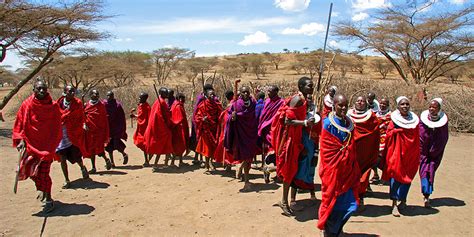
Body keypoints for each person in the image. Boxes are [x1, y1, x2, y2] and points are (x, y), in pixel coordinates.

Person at [12, 80, 62, 213]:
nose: (41, 91)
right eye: (39, 89)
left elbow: (57, 127)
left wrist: (54, 144)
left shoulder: (53, 106)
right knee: (31, 171)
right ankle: (42, 189)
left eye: (44, 89)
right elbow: (20, 123)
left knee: (44, 174)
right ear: (33, 89)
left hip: (47, 146)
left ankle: (49, 199)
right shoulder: (27, 105)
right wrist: (20, 139)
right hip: (31, 145)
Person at [271, 77, 316, 216]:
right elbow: (287, 120)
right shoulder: (297, 100)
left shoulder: (304, 100)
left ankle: (288, 200)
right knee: (289, 170)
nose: (312, 88)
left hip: (297, 138)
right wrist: (304, 123)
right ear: (301, 86)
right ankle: (284, 202)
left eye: (312, 86)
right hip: (289, 139)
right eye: (309, 86)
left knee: (293, 170)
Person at [318, 94, 360, 236]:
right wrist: (342, 155)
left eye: (345, 105)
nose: (343, 108)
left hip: (347, 171)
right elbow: (327, 150)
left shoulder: (349, 123)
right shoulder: (328, 124)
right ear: (333, 105)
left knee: (351, 205)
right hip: (333, 171)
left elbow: (352, 146)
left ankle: (338, 228)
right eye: (340, 105)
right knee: (332, 203)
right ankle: (329, 231)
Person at [382, 96, 420, 217]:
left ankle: (403, 200)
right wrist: (396, 132)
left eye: (407, 104)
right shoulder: (394, 121)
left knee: (407, 177)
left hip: (410, 154)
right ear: (398, 107)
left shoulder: (414, 121)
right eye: (402, 104)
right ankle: (394, 204)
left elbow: (417, 138)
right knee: (395, 177)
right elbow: (388, 135)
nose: (405, 106)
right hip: (397, 153)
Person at [348, 96, 380, 210]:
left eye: (362, 101)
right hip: (351, 153)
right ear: (354, 103)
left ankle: (360, 198)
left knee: (363, 178)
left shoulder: (372, 117)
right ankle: (351, 200)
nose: (360, 102)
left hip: (366, 153)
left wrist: (375, 152)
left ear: (366, 104)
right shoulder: (348, 116)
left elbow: (376, 134)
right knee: (350, 177)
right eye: (358, 100)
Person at [224, 86, 259, 191]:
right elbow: (228, 118)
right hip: (240, 135)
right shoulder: (235, 105)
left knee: (249, 158)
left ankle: (245, 176)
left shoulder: (253, 104)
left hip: (251, 134)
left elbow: (254, 117)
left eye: (247, 92)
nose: (246, 94)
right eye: (244, 92)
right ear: (240, 94)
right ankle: (246, 181)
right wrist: (233, 117)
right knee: (245, 157)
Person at [56, 86, 89, 189]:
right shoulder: (58, 104)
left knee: (76, 155)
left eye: (73, 91)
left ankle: (82, 168)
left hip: (73, 134)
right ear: (65, 92)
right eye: (70, 91)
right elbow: (55, 116)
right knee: (62, 158)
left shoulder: (77, 103)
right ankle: (67, 179)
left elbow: (81, 116)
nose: (72, 93)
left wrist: (83, 124)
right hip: (61, 135)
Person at [419, 98, 449, 208]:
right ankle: (426, 195)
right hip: (423, 153)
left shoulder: (443, 123)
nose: (432, 109)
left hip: (435, 153)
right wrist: (424, 149)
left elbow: (443, 138)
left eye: (434, 107)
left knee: (431, 171)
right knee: (423, 172)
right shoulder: (423, 119)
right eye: (430, 107)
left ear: (439, 109)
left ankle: (427, 194)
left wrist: (434, 150)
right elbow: (421, 135)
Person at [258, 85, 285, 180]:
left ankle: (272, 170)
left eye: (270, 91)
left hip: (277, 131)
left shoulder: (281, 103)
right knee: (269, 151)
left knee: (277, 151)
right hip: (267, 131)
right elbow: (264, 116)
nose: (268, 93)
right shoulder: (267, 102)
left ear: (276, 92)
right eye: (268, 91)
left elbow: (281, 116)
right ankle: (269, 170)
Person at [144, 87, 173, 172]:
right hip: (161, 128)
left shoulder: (159, 101)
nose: (167, 95)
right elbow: (158, 116)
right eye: (165, 93)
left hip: (162, 127)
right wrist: (167, 124)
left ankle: (166, 164)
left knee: (167, 145)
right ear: (161, 94)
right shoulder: (161, 102)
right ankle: (156, 164)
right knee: (161, 146)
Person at [84, 90, 112, 173]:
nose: (96, 95)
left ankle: (106, 159)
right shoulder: (87, 105)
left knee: (99, 149)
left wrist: (104, 131)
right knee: (91, 149)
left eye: (97, 94)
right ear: (90, 95)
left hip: (99, 131)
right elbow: (84, 115)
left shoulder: (101, 105)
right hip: (90, 131)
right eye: (94, 94)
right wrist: (84, 124)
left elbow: (103, 119)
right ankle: (93, 167)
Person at [194, 88, 222, 171]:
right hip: (206, 130)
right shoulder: (202, 105)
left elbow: (220, 116)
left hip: (214, 129)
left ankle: (210, 163)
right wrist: (203, 119)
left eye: (213, 94)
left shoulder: (217, 105)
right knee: (207, 149)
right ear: (206, 95)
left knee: (213, 148)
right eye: (210, 94)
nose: (212, 96)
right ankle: (206, 165)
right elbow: (197, 117)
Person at [190, 84, 214, 165]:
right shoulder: (201, 98)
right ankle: (198, 158)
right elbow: (198, 110)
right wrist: (201, 119)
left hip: (205, 121)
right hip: (199, 121)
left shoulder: (209, 98)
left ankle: (201, 158)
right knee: (199, 139)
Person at [103, 91, 128, 167]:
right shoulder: (104, 104)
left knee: (116, 145)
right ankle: (112, 162)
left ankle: (124, 154)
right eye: (108, 96)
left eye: (110, 96)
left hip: (116, 129)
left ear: (113, 96)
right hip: (108, 129)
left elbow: (121, 118)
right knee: (109, 147)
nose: (109, 97)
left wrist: (122, 129)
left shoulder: (117, 105)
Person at [214, 89, 236, 167]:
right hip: (230, 128)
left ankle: (228, 163)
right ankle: (228, 163)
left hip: (229, 128)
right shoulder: (235, 104)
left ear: (226, 98)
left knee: (227, 143)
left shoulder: (232, 105)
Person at [372, 98, 391, 183]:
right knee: (372, 158)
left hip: (386, 140)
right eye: (381, 103)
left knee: (383, 159)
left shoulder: (391, 116)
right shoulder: (374, 114)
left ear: (388, 105)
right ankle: (376, 174)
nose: (382, 105)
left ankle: (386, 175)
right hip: (376, 139)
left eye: (385, 104)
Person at [131, 92, 151, 167]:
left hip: (145, 129)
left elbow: (147, 118)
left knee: (143, 144)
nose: (139, 99)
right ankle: (147, 159)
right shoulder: (141, 106)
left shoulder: (147, 107)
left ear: (144, 99)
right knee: (140, 143)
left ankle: (147, 160)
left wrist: (135, 116)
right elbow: (140, 116)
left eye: (140, 98)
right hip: (140, 128)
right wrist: (134, 115)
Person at [170, 93, 189, 167]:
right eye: (183, 99)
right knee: (178, 145)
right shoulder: (178, 106)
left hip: (179, 128)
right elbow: (179, 119)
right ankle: (172, 162)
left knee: (181, 145)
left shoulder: (177, 104)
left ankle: (181, 161)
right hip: (178, 129)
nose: (184, 100)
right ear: (180, 99)